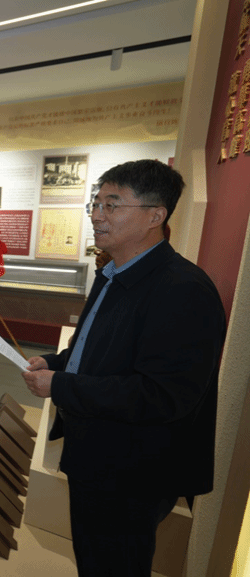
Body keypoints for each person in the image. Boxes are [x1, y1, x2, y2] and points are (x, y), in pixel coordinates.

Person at [21, 160, 226, 577]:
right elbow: (97, 349)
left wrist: (61, 386)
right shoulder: (113, 273)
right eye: (95, 204)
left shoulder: (182, 290)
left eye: (112, 205)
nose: (97, 216)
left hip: (131, 470)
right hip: (96, 454)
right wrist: (56, 364)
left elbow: (163, 395)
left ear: (155, 216)